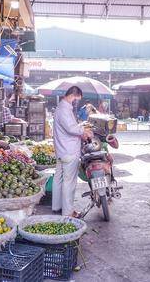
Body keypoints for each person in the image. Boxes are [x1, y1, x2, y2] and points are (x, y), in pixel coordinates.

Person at [52, 86, 93, 217]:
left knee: (59, 179)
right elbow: (70, 128)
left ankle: (57, 206)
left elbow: (69, 127)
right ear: (73, 96)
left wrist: (80, 128)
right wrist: (83, 131)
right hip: (68, 151)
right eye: (77, 99)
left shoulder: (61, 107)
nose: (76, 102)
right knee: (69, 183)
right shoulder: (64, 109)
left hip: (61, 150)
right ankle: (68, 212)